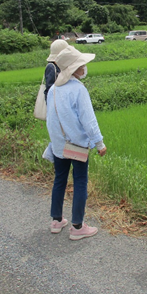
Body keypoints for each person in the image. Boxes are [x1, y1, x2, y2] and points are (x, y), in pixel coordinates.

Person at [46, 46, 107, 240]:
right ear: (74, 68)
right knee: (80, 181)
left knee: (59, 180)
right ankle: (78, 226)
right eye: (82, 64)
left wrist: (55, 142)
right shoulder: (79, 90)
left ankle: (56, 221)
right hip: (77, 145)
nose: (85, 67)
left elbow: (51, 119)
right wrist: (99, 144)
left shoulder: (53, 89)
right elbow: (88, 121)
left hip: (58, 145)